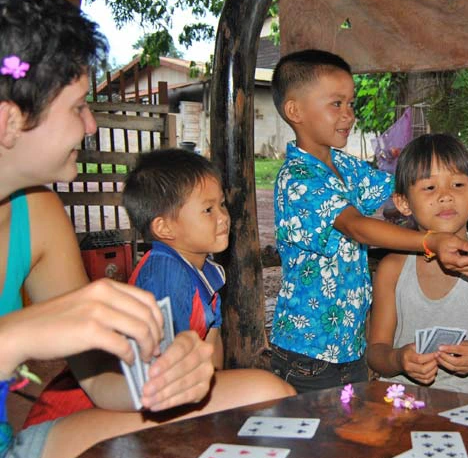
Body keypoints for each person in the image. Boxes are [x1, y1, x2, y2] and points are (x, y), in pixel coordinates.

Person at [0, 0, 287, 458]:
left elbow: (106, 384)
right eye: (80, 107)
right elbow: (30, 339)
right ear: (9, 120)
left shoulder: (38, 216)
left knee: (262, 392)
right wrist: (18, 334)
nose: (90, 125)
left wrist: (171, 378)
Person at [23, 148, 295, 426]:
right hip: (86, 411)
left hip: (159, 393)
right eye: (208, 209)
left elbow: (210, 352)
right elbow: (165, 367)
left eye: (222, 205)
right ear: (165, 228)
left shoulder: (210, 273)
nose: (223, 217)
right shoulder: (165, 275)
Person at [269, 49, 468, 393]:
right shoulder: (298, 179)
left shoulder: (343, 165)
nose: (348, 115)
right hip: (308, 351)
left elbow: (402, 186)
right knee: (316, 443)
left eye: (350, 104)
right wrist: (429, 242)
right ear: (295, 111)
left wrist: (457, 174)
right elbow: (357, 227)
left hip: (349, 347)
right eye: (336, 104)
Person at [367, 134, 468, 395]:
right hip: (400, 402)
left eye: (458, 184)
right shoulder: (392, 269)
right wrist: (400, 360)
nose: (446, 196)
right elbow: (376, 352)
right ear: (403, 203)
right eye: (430, 188)